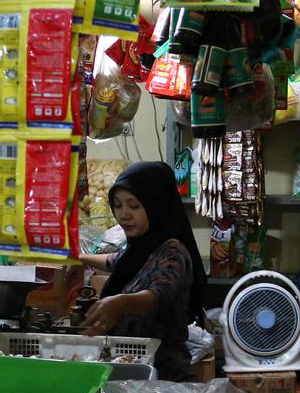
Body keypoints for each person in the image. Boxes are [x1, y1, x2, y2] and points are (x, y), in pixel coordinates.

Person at [80, 161, 207, 381]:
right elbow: (115, 261)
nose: (124, 215)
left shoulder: (173, 252)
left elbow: (159, 294)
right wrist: (76, 258)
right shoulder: (141, 248)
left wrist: (121, 302)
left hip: (164, 377)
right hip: (135, 368)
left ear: (156, 205)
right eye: (118, 205)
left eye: (134, 206)